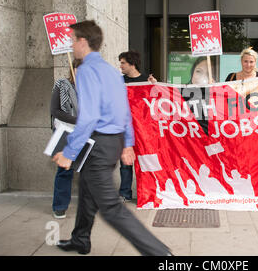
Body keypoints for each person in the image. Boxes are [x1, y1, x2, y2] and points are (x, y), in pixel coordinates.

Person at [53, 20, 171, 256]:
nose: (71, 45)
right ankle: (81, 239)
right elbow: (124, 111)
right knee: (87, 192)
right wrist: (127, 143)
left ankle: (160, 254)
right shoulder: (110, 71)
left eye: (73, 40)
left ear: (83, 42)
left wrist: (69, 153)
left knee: (111, 208)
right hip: (112, 142)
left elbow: (89, 116)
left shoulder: (86, 70)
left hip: (98, 144)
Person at [118, 50, 156, 202]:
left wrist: (155, 86)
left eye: (123, 63)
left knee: (145, 161)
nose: (120, 66)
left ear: (132, 64)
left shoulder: (146, 80)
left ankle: (146, 192)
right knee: (125, 163)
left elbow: (156, 101)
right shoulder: (119, 81)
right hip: (125, 127)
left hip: (144, 128)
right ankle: (125, 193)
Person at [50, 59, 82, 219]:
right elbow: (55, 110)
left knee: (90, 171)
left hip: (86, 134)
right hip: (66, 133)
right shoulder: (62, 85)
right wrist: (78, 120)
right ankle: (59, 206)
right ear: (73, 68)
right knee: (64, 169)